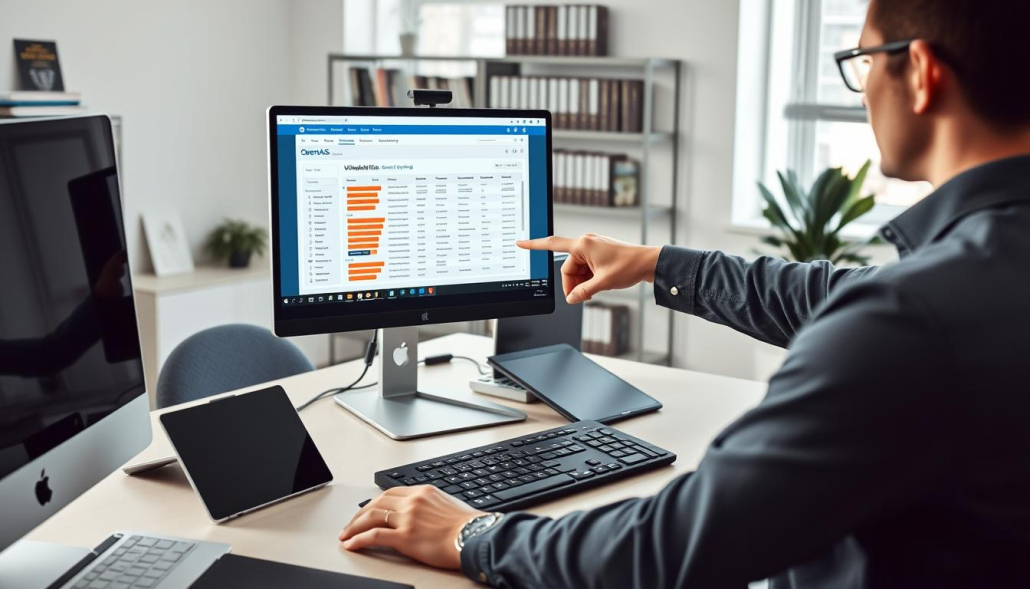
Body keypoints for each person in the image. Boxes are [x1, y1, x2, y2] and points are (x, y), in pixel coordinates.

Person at [339, 0, 1030, 586]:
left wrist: (472, 535)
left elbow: (674, 545)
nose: (864, 89)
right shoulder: (976, 273)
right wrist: (654, 263)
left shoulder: (912, 320)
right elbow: (833, 293)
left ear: (921, 73)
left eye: (863, 62)